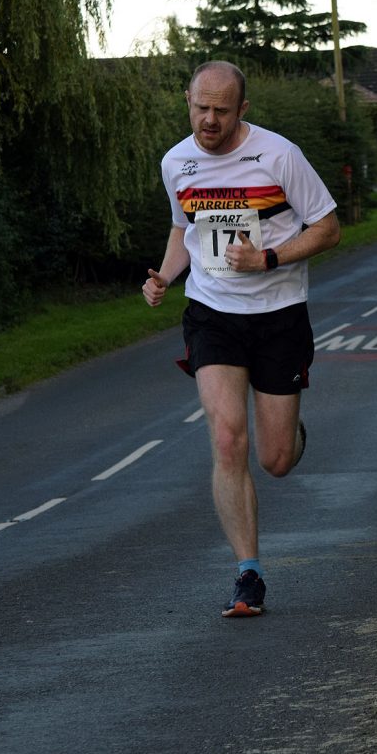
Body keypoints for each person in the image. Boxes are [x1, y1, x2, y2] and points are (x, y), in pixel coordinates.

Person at [142, 61, 341, 617]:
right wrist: (165, 276)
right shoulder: (176, 163)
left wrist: (268, 258)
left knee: (275, 460)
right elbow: (184, 227)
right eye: (201, 107)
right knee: (228, 439)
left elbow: (328, 228)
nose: (209, 120)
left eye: (222, 110)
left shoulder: (279, 156)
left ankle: (290, 433)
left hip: (279, 315)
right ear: (188, 102)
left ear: (243, 110)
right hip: (212, 314)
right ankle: (248, 575)